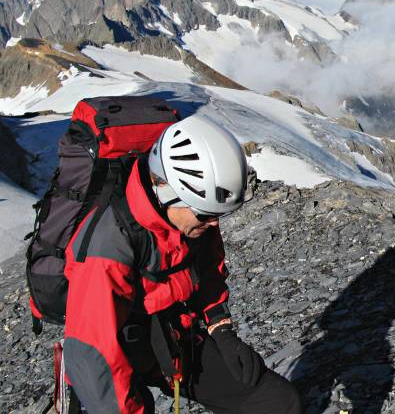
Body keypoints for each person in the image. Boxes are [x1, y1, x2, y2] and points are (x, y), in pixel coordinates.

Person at [62, 114, 302, 413]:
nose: (214, 224)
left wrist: (221, 328)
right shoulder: (106, 248)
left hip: (171, 334)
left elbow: (207, 270)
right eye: (205, 214)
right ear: (167, 193)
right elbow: (92, 354)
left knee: (277, 403)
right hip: (108, 350)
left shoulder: (191, 216)